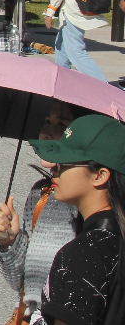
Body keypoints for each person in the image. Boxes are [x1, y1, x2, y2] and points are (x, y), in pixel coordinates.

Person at [0, 102, 79, 325]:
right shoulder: (42, 192)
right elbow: (22, 283)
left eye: (62, 125)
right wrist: (9, 242)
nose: (48, 133)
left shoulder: (89, 203)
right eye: (47, 122)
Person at [31, 114, 125, 325]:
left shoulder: (85, 253)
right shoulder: (114, 239)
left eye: (65, 162)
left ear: (99, 175)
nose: (54, 167)